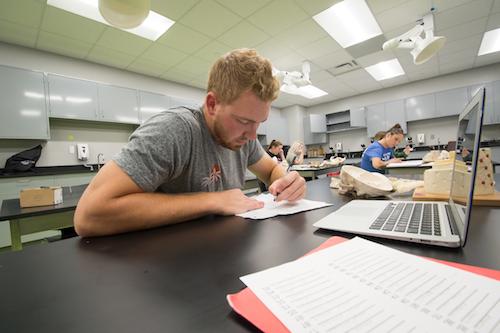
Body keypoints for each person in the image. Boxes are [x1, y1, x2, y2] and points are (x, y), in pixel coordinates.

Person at [74, 48, 306, 237]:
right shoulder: (173, 131)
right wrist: (212, 200)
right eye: (244, 120)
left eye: (259, 122)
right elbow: (89, 215)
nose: (253, 135)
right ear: (213, 104)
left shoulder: (243, 137)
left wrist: (286, 183)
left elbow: (272, 170)